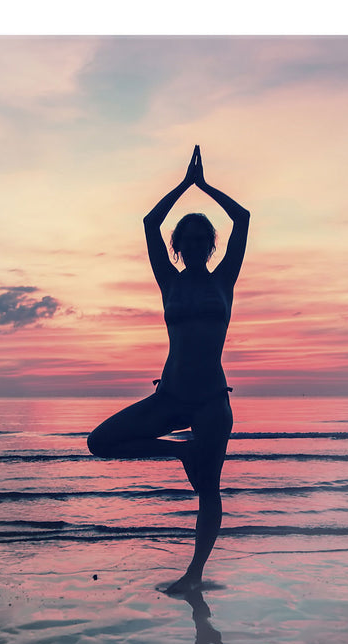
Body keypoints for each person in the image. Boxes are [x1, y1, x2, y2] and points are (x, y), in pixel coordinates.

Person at [87, 145, 250, 594]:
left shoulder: (224, 280)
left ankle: (193, 575)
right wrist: (182, 186)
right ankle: (181, 452)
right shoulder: (169, 281)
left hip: (212, 400)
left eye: (203, 238)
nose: (196, 244)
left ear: (211, 245)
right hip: (171, 395)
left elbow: (244, 219)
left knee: (209, 490)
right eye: (189, 239)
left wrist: (206, 187)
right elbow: (148, 224)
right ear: (178, 246)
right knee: (99, 442)